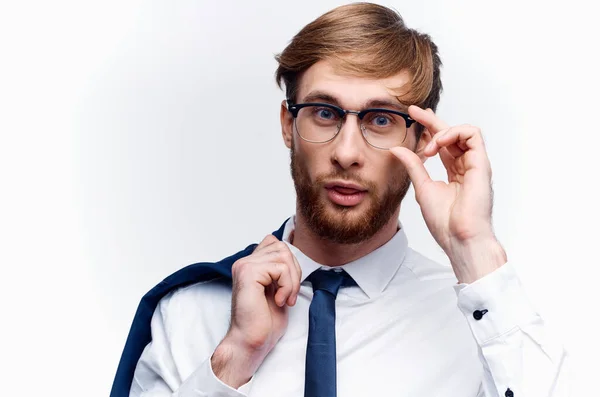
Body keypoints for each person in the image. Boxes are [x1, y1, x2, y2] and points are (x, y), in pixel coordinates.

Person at [111, 3, 568, 397]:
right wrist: (233, 360)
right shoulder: (187, 315)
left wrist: (476, 249)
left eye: (381, 119)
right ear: (288, 125)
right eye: (324, 113)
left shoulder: (483, 325)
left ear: (421, 139)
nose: (347, 153)